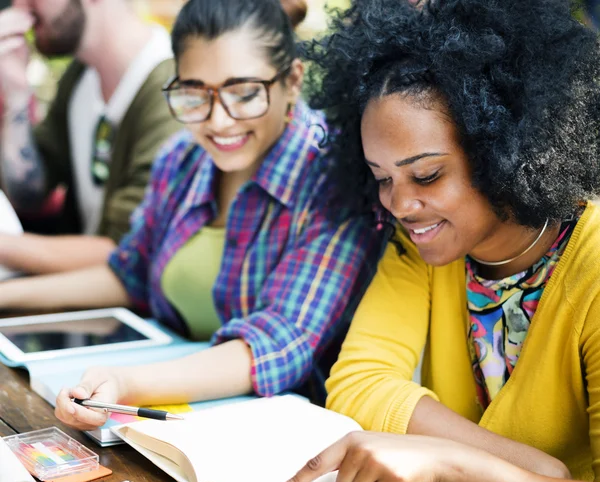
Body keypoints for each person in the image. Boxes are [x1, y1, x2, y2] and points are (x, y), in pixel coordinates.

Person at [283, 0, 600, 482]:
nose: (400, 205)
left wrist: (452, 463)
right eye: (382, 178)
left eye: (426, 175)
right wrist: (533, 469)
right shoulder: (421, 245)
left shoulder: (593, 264)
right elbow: (357, 382)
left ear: (507, 150)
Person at [28, 0, 381, 429]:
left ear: (292, 81)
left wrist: (124, 384)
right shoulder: (182, 158)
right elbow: (130, 273)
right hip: (164, 418)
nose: (219, 121)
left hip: (277, 437)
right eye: (195, 93)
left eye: (244, 93)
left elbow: (278, 343)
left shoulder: (335, 177)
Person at [0, 0, 181, 275]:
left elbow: (128, 249)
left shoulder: (171, 92)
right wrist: (16, 97)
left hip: (129, 306)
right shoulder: (81, 76)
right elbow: (31, 194)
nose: (20, 6)